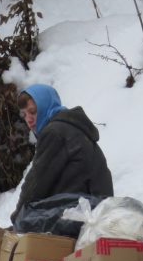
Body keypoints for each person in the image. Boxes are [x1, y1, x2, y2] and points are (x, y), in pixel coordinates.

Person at [12, 84, 114, 224]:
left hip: (82, 213)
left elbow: (36, 182)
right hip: (94, 211)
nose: (29, 119)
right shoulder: (71, 128)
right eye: (24, 115)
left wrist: (17, 218)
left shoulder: (56, 132)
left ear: (46, 106)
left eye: (33, 111)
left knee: (26, 219)